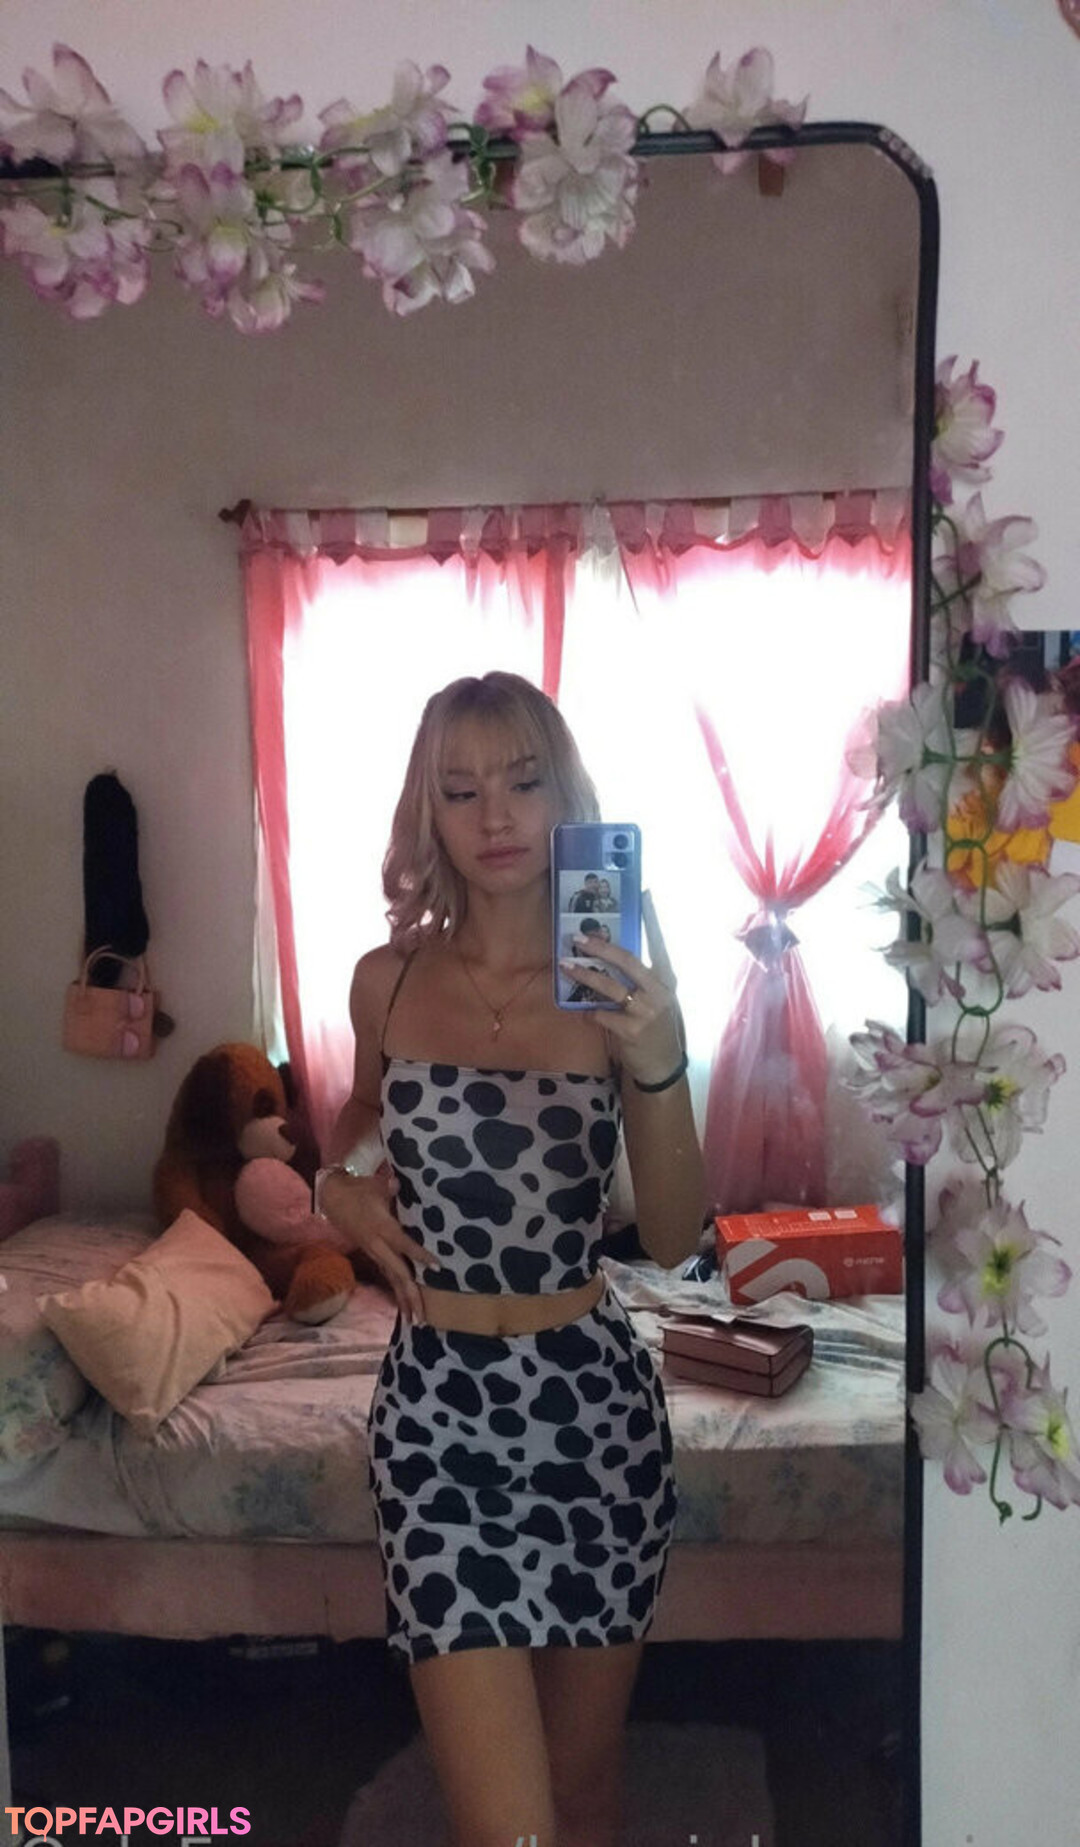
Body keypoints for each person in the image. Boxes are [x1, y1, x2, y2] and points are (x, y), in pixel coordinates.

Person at [319, 671, 705, 1847]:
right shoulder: (387, 979)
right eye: (461, 789)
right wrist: (337, 1184)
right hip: (437, 1419)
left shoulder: (615, 987)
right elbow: (361, 1122)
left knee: (581, 1798)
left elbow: (676, 1236)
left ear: (564, 796)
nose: (495, 815)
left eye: (524, 781)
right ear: (426, 811)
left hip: (594, 1418)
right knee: (510, 1827)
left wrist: (661, 1054)